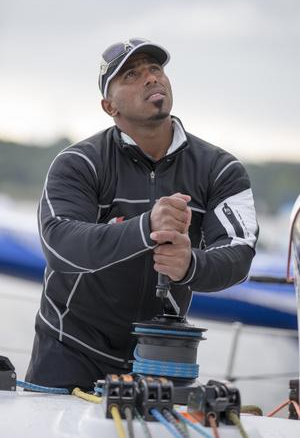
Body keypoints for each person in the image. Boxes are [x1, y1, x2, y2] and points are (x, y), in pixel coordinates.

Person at [26, 38, 259, 391]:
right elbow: (59, 245)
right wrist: (146, 226)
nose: (150, 78)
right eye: (131, 75)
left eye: (155, 69)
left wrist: (189, 264)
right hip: (69, 352)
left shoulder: (221, 170)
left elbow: (239, 255)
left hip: (162, 355)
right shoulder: (78, 163)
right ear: (109, 106)